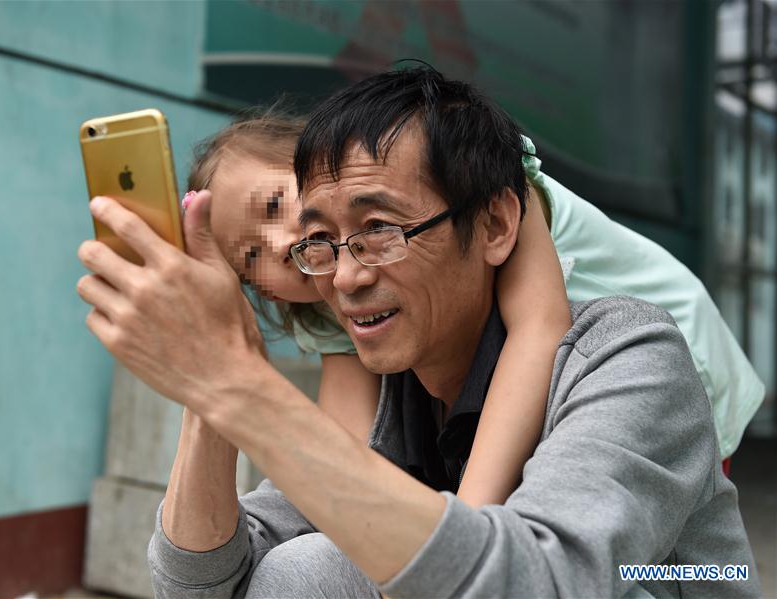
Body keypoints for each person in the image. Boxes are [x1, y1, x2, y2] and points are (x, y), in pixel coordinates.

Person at [76, 67, 760, 597]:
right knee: (315, 563)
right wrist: (210, 397)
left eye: (377, 229)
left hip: (687, 456)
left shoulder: (624, 348)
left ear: (494, 224)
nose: (339, 272)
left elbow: (536, 580)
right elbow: (208, 582)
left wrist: (234, 382)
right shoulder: (376, 366)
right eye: (316, 243)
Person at [184, 113, 570, 508]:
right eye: (251, 257)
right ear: (268, 295)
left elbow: (538, 331)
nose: (279, 245)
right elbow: (349, 457)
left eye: (273, 204)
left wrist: (464, 529)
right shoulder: (338, 307)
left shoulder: (476, 181)